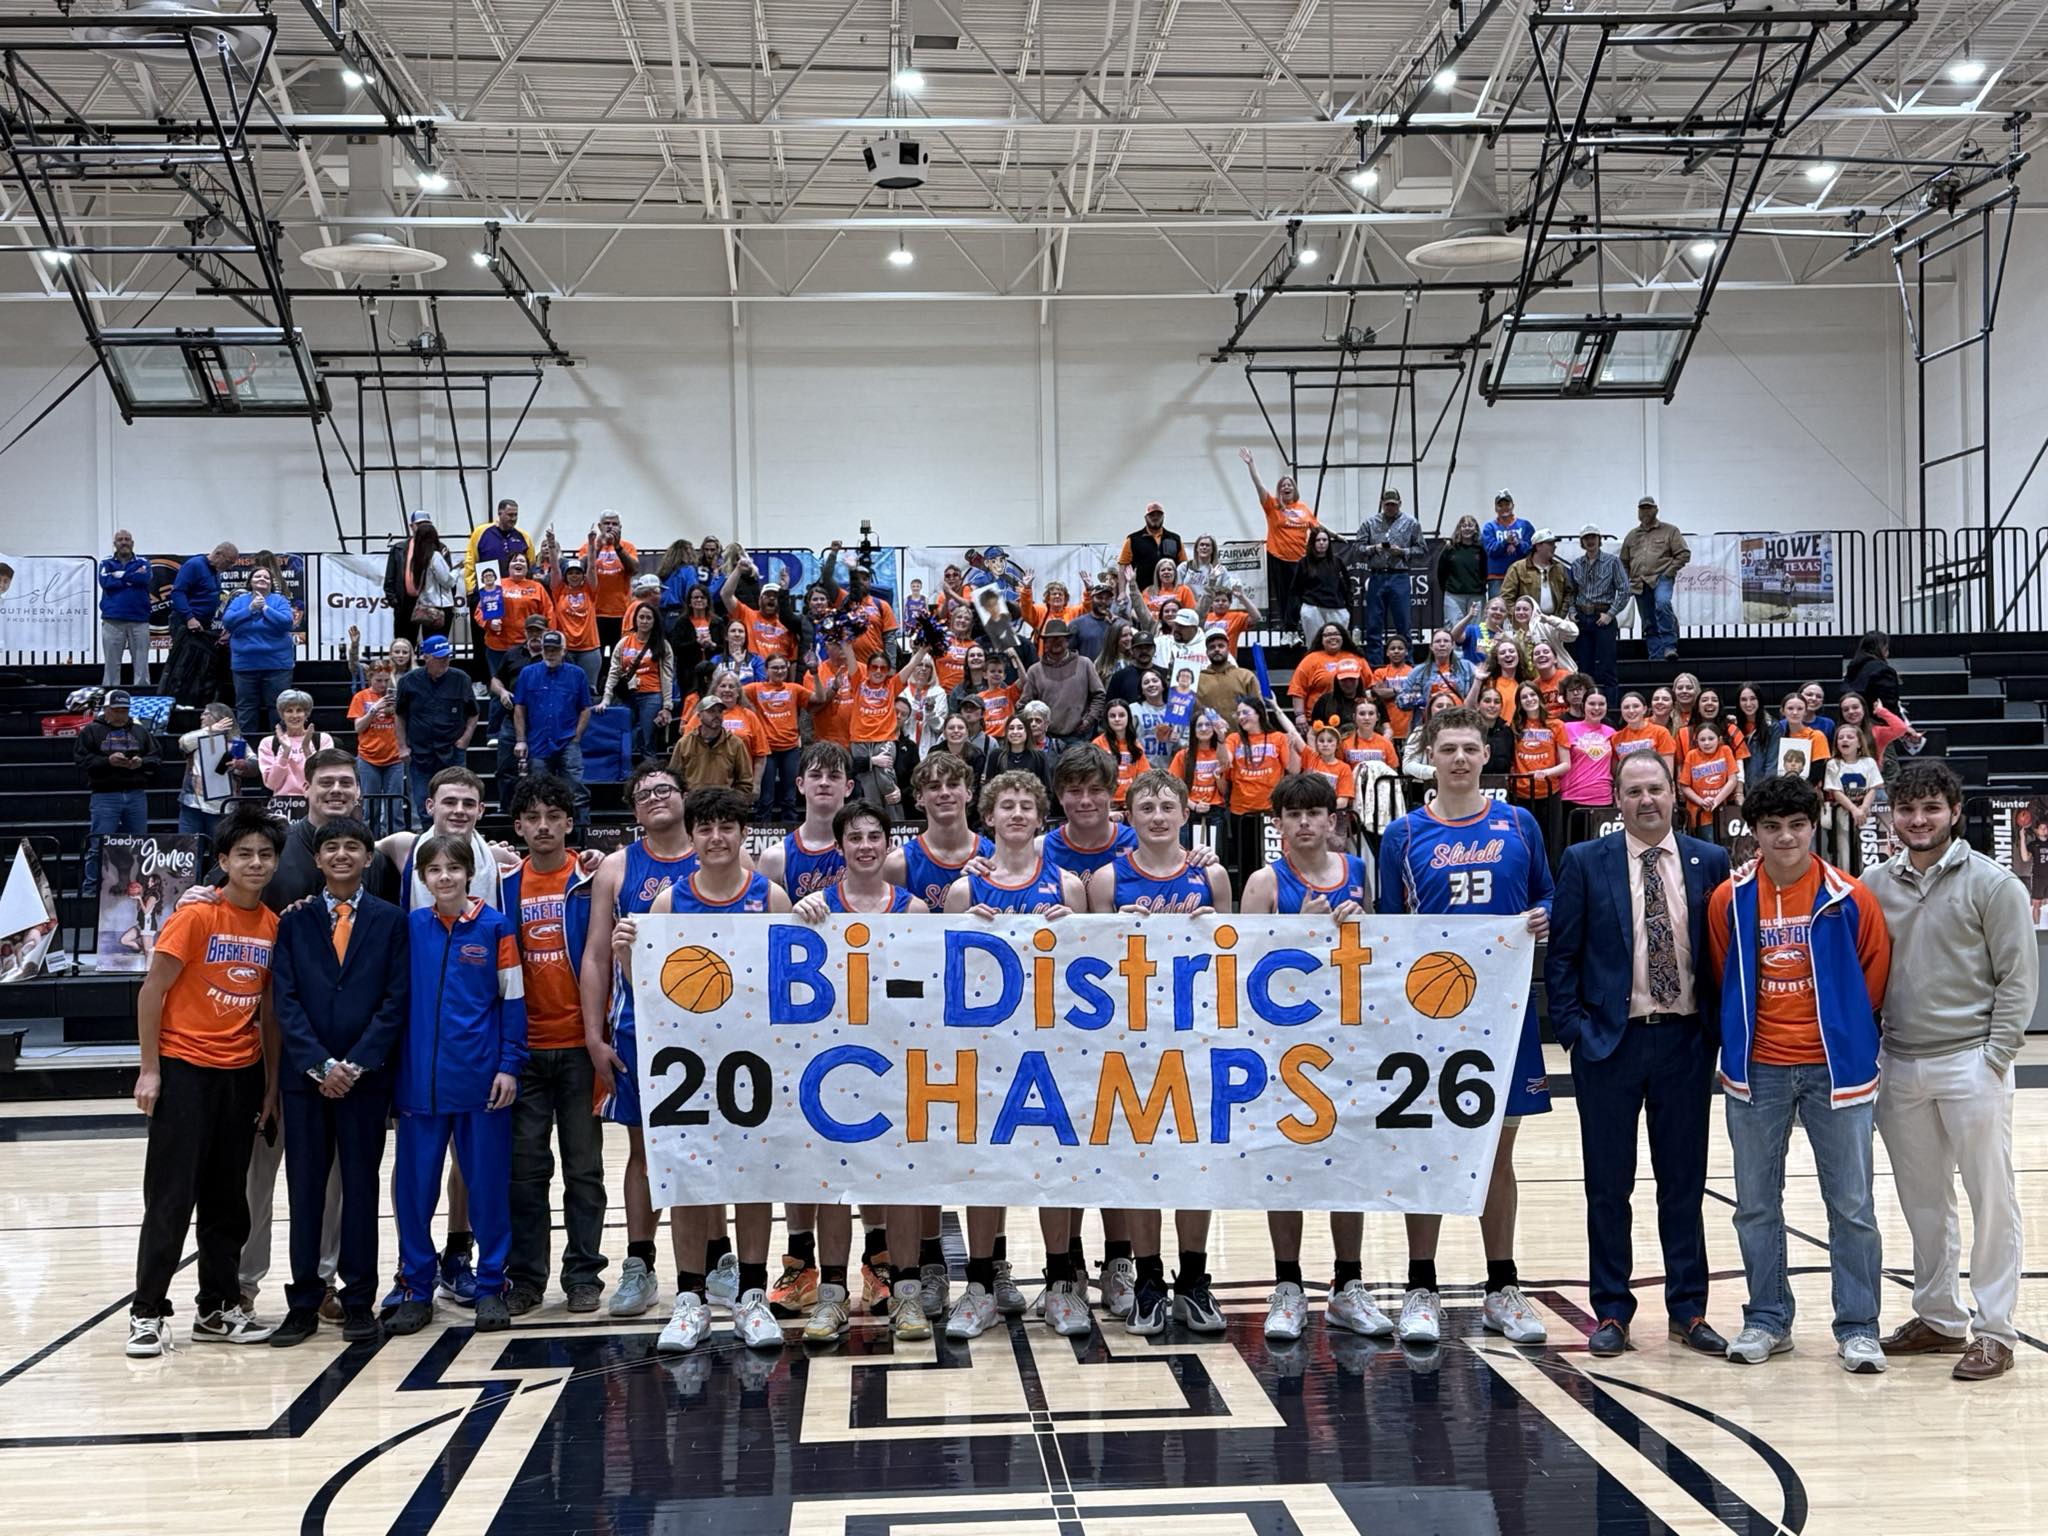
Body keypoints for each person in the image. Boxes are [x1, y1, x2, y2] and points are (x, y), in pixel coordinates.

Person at [1378, 705, 1553, 1349]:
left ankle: (1501, 1287)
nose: (1457, 758)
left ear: (1485, 756)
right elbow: (1388, 930)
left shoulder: (1519, 822)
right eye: (1446, 747)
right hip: (1430, 1023)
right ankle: (1420, 1286)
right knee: (1427, 1149)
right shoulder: (1403, 834)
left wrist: (1541, 917)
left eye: (1468, 748)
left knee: (1496, 1156)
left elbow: (1548, 895)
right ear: (1431, 755)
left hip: (1502, 1015)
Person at [1547, 753, 1731, 1358]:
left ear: (1675, 794)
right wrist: (1574, 1029)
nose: (1645, 800)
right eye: (1633, 791)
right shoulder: (1583, 861)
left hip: (1685, 1040)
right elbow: (1562, 956)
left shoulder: (1711, 860)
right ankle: (1611, 1311)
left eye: (1655, 789)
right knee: (1608, 1185)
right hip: (1610, 1043)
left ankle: (1689, 1309)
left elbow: (1722, 952)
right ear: (1616, 799)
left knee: (1684, 1184)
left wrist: (1716, 1031)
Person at [1706, 773, 1892, 1371]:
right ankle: (1767, 1318)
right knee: (1756, 1204)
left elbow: (1873, 978)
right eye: (1771, 827)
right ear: (1754, 833)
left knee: (1853, 1204)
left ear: (1813, 826)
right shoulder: (1727, 899)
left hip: (1836, 1072)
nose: (1784, 837)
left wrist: (1841, 1033)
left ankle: (1859, 1326)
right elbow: (1722, 973)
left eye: (1795, 825)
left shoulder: (1849, 896)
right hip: (1756, 1070)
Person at [1866, 760, 2036, 1381]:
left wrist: (1995, 1058)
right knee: (1921, 1200)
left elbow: (2019, 978)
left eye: (1931, 809)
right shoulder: (1874, 885)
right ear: (1892, 816)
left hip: (1972, 1062)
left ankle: (1994, 1330)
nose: (1918, 820)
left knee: (1992, 1199)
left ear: (1954, 813)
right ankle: (1939, 1317)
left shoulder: (1994, 885)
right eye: (1907, 810)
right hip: (1900, 1064)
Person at [630, 788, 792, 1353]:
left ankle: (751, 1295)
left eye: (727, 826)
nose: (717, 837)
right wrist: (631, 953)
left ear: (742, 834)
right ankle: (691, 1299)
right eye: (707, 828)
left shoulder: (768, 896)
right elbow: (646, 991)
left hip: (754, 1058)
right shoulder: (669, 904)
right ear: (693, 836)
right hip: (687, 1064)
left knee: (753, 1178)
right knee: (691, 1182)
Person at [126, 807, 284, 1357]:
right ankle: (146, 1312)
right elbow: (152, 991)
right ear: (223, 862)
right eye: (244, 854)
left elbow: (267, 1014)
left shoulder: (271, 926)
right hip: (185, 1070)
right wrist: (150, 1069)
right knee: (171, 1199)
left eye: (265, 854)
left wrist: (268, 1090)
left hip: (240, 1075)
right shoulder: (196, 916)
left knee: (227, 1203)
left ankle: (216, 1309)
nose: (256, 863)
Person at [1240, 772, 1391, 1344]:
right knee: (1288, 1167)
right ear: (1277, 824)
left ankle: (1348, 1284)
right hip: (1282, 1047)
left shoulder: (1359, 873)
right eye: (1292, 814)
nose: (1303, 823)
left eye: (1314, 813)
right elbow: (1242, 972)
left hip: (1346, 1040)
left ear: (1334, 820)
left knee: (1346, 1165)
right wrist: (1296, 932)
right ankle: (1288, 1285)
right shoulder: (1263, 882)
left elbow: (1383, 951)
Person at [1085, 769, 1232, 1336]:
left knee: (1195, 1162)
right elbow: (1087, 966)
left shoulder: (1210, 875)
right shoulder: (1106, 879)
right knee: (1141, 1162)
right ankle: (1148, 1281)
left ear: (1185, 813)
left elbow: (1237, 955)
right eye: (1145, 807)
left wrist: (1215, 926)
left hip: (1196, 1039)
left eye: (1167, 806)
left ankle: (1194, 1280)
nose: (1157, 816)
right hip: (1128, 1041)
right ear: (1131, 816)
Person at [943, 771, 1087, 1339]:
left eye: (1028, 804)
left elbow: (1096, 969)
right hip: (986, 1050)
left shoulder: (1069, 886)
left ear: (1041, 817)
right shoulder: (964, 890)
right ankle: (979, 1286)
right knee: (988, 1168)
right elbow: (941, 978)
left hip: (1055, 1046)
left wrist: (1078, 933)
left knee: (1056, 1165)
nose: (1019, 813)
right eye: (1007, 805)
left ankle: (1060, 1286)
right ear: (990, 817)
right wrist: (962, 930)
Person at [786, 799, 934, 1343]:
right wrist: (797, 923)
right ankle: (831, 1296)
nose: (866, 846)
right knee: (832, 1182)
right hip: (832, 1067)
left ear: (887, 844)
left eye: (876, 836)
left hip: (898, 1064)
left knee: (902, 1182)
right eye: (856, 838)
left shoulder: (915, 912)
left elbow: (931, 995)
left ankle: (907, 1293)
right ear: (841, 846)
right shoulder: (814, 908)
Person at [263, 817, 406, 1348]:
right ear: (318, 859)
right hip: (307, 1082)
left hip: (365, 1083)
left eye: (353, 847)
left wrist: (356, 1064)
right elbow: (287, 1000)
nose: (342, 855)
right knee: (305, 1192)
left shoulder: (391, 922)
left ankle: (358, 1300)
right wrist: (321, 1065)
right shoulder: (293, 921)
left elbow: (395, 1002)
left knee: (361, 1190)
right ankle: (303, 1301)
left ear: (369, 858)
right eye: (332, 847)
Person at [383, 834, 526, 1337]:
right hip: (420, 1088)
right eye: (434, 870)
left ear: (470, 873)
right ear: (422, 879)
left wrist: (509, 1064)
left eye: (453, 868)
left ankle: (490, 1285)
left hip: (483, 1084)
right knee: (414, 1191)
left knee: (486, 1189)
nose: (444, 877)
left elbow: (512, 1001)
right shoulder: (408, 928)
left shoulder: (496, 927)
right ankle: (416, 1287)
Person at [580, 762, 702, 1328]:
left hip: (712, 1031)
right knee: (643, 1151)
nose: (655, 798)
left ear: (683, 798)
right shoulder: (617, 866)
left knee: (716, 1148)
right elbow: (597, 957)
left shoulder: (717, 853)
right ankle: (640, 1262)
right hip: (638, 1029)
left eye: (665, 790)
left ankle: (719, 1259)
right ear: (634, 809)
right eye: (644, 792)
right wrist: (592, 1034)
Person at [500, 776, 606, 1316]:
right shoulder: (500, 887)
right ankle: (526, 1278)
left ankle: (584, 1274)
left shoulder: (591, 880)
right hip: (523, 1053)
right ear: (518, 826)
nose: (543, 826)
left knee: (584, 1169)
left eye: (553, 816)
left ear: (569, 822)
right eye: (532, 817)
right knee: (525, 1172)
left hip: (581, 1049)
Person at [77, 688, 161, 897]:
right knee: (98, 845)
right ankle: (90, 893)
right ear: (106, 709)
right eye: (116, 710)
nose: (121, 714)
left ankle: (140, 888)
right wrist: (107, 761)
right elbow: (81, 760)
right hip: (105, 795)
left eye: (124, 710)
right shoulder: (91, 731)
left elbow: (157, 757)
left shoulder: (140, 731)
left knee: (140, 844)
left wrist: (141, 762)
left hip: (135, 793)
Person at [512, 630, 593, 829]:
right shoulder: (528, 673)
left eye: (555, 649)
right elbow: (519, 708)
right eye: (547, 649)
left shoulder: (577, 674)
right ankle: (540, 832)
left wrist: (577, 736)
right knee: (538, 791)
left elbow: (585, 708)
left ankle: (581, 835)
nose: (550, 653)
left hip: (567, 740)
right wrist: (521, 739)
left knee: (575, 789)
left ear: (563, 651)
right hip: (538, 741)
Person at [394, 636, 479, 821]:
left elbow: (473, 713)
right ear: (426, 657)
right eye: (440, 657)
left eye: (447, 657)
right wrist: (402, 746)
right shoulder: (409, 681)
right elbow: (400, 715)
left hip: (452, 751)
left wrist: (465, 739)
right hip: (420, 752)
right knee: (424, 806)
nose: (445, 661)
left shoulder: (461, 679)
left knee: (457, 801)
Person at [758, 742, 854, 902]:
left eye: (834, 776)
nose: (824, 782)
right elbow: (760, 921)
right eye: (815, 775)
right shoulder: (775, 858)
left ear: (848, 787)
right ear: (800, 784)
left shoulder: (868, 852)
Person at [1239, 447, 1319, 620]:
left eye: (1289, 484)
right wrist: (1251, 465)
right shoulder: (1272, 505)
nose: (1286, 487)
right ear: (1279, 490)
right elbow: (1259, 486)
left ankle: (1297, 627)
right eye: (1283, 485)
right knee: (1285, 595)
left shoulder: (1303, 508)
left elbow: (1317, 527)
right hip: (1279, 557)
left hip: (1300, 557)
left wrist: (1337, 537)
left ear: (1294, 489)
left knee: (1300, 595)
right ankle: (1288, 631)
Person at [222, 566, 298, 740]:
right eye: (258, 576)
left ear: (271, 583)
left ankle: (281, 747)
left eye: (266, 577)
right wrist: (249, 609)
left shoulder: (279, 600)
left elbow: (286, 622)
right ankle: (247, 751)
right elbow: (228, 622)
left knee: (279, 708)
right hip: (245, 665)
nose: (262, 579)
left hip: (277, 665)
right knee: (246, 709)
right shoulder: (240, 601)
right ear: (250, 582)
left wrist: (265, 609)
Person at [163, 539, 237, 707]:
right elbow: (178, 593)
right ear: (218, 554)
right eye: (228, 562)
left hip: (203, 625)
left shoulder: (214, 571)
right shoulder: (194, 565)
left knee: (199, 666)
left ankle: (193, 700)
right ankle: (177, 700)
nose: (230, 566)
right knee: (182, 665)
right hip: (186, 623)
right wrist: (189, 618)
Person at [599, 602, 676, 761]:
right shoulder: (624, 642)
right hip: (627, 695)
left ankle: (650, 775)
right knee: (623, 735)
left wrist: (667, 705)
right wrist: (606, 697)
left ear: (654, 621)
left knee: (647, 739)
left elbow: (667, 676)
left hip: (652, 695)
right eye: (641, 617)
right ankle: (623, 774)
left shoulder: (662, 645)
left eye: (649, 618)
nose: (645, 621)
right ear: (635, 620)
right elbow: (614, 671)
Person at [1357, 487, 1423, 665]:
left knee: (1404, 624)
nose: (1390, 508)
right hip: (1377, 576)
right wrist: (1374, 548)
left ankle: (1408, 665)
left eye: (1394, 505)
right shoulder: (1370, 523)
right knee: (1373, 624)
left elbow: (1422, 550)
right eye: (1387, 505)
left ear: (1400, 504)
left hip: (1399, 576)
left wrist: (1403, 551)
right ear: (1382, 504)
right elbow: (1357, 548)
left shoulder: (1411, 523)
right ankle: (1375, 666)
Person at [1619, 496, 1690, 661]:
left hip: (1661, 578)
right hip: (1638, 582)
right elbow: (1623, 561)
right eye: (1642, 508)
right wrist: (1626, 579)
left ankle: (1669, 646)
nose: (1645, 511)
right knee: (1648, 620)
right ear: (1638, 511)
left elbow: (1684, 553)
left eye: (1648, 508)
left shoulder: (1670, 530)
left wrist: (1669, 572)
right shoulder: (1631, 535)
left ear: (1656, 510)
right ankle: (1656, 656)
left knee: (1663, 604)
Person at [1017, 617, 1105, 749]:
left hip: (1080, 737)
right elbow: (1024, 706)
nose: (1055, 642)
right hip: (1047, 740)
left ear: (1067, 641)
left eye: (1060, 638)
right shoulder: (1035, 671)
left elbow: (1099, 695)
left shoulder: (1085, 664)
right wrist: (1036, 727)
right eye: (1051, 639)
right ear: (1045, 644)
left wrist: (1089, 720)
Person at [383, 511, 459, 650]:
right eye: (419, 524)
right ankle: (405, 671)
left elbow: (446, 578)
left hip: (432, 604)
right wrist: (395, 601)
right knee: (404, 646)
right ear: (411, 526)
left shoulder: (440, 549)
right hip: (405, 603)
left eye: (427, 524)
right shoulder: (399, 548)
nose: (423, 527)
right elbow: (390, 578)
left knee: (432, 644)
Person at [348, 660, 407, 836]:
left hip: (394, 757)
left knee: (395, 806)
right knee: (370, 805)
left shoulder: (398, 697)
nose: (382, 685)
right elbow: (358, 727)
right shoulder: (361, 697)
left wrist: (396, 709)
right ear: (370, 678)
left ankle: (396, 840)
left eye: (386, 680)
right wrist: (375, 708)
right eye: (378, 680)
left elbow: (404, 726)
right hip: (368, 758)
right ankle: (370, 841)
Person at [177, 703, 253, 836]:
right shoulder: (197, 737)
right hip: (193, 805)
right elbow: (183, 743)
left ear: (221, 718)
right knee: (190, 849)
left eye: (206, 714)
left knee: (220, 851)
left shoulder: (236, 742)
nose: (201, 716)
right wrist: (210, 730)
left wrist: (241, 765)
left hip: (223, 807)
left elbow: (254, 764)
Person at [577, 510, 641, 649]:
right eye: (607, 523)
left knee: (619, 653)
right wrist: (597, 547)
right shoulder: (588, 546)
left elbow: (634, 569)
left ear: (620, 527)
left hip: (621, 611)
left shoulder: (628, 547)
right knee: (597, 653)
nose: (610, 527)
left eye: (614, 524)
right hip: (594, 611)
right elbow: (581, 568)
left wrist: (618, 547)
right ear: (600, 526)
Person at [100, 527, 153, 689]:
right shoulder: (105, 562)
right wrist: (130, 577)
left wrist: (118, 576)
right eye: (120, 540)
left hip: (139, 620)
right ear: (115, 543)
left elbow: (143, 578)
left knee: (141, 662)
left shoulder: (144, 563)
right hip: (112, 620)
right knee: (111, 663)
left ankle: (142, 694)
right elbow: (105, 582)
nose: (124, 542)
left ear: (132, 543)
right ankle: (110, 694)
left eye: (127, 539)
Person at [669, 693, 753, 793]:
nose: (717, 715)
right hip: (693, 803)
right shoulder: (684, 743)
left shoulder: (736, 743)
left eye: (720, 711)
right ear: (699, 716)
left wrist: (732, 801)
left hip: (723, 804)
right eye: (711, 711)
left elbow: (745, 781)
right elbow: (673, 779)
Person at [256, 690, 333, 798]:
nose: (294, 715)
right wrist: (285, 753)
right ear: (282, 715)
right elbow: (272, 784)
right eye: (289, 711)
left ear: (306, 714)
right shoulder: (268, 743)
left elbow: (324, 777)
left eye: (299, 710)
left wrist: (307, 749)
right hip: (282, 805)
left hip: (315, 801)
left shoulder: (322, 739)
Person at [463, 498, 531, 596]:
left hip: (516, 593)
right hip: (487, 592)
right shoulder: (481, 533)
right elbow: (470, 561)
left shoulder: (524, 536)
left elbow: (530, 563)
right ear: (499, 513)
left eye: (516, 515)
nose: (513, 519)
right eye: (510, 515)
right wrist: (471, 589)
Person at [1500, 527, 1572, 617]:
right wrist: (1519, 618)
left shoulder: (1559, 568)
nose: (1554, 546)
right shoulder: (1517, 568)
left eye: (1554, 543)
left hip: (1554, 623)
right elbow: (1506, 598)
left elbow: (1568, 593)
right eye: (1550, 543)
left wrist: (1561, 615)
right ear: (1538, 546)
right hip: (1528, 624)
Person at [1193, 624, 1258, 721]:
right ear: (1206, 652)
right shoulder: (1196, 680)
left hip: (1241, 734)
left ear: (1228, 649)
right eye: (1212, 647)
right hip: (1208, 734)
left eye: (1221, 646)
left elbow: (1258, 709)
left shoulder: (1246, 676)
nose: (1216, 650)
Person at [1480, 490, 1533, 598]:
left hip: (1521, 576)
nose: (1504, 508)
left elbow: (1531, 550)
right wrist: (1505, 542)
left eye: (1507, 504)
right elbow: (1490, 551)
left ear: (1513, 505)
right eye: (1500, 505)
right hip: (1497, 577)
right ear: (1495, 508)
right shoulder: (1489, 527)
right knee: (1497, 610)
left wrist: (1518, 544)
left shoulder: (1525, 525)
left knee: (1522, 609)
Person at [1118, 501, 1184, 586]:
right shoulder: (1133, 539)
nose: (1155, 517)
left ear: (1163, 517)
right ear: (1145, 518)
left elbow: (1183, 565)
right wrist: (1122, 592)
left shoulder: (1175, 538)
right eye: (1152, 515)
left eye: (1158, 515)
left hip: (1170, 592)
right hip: (1142, 592)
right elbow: (1122, 566)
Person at [1844, 629, 1904, 715]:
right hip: (1877, 721)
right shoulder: (1883, 671)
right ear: (1883, 649)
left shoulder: (1853, 667)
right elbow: (1889, 705)